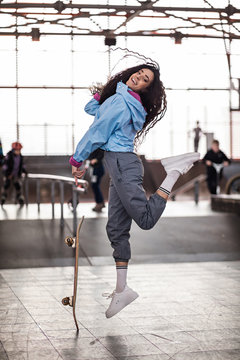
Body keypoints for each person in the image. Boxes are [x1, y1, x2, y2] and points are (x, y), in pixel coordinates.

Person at [69, 62, 200, 318]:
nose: (138, 77)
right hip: (120, 165)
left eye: (144, 80)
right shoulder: (120, 99)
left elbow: (97, 132)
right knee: (116, 229)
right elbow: (91, 109)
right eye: (138, 74)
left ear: (144, 89)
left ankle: (173, 172)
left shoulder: (121, 103)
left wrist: (77, 159)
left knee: (146, 219)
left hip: (123, 165)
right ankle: (122, 290)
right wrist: (104, 91)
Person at [1, 141, 27, 206]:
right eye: (17, 150)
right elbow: (5, 166)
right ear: (13, 150)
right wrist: (7, 174)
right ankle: (3, 198)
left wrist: (24, 171)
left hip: (16, 174)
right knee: (7, 185)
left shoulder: (20, 157)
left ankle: (20, 198)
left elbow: (22, 165)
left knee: (18, 186)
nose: (18, 151)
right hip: (9, 174)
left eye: (19, 150)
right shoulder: (9, 156)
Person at [88, 148, 105, 212]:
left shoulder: (98, 145)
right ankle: (100, 202)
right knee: (95, 186)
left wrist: (96, 159)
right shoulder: (91, 146)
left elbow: (101, 154)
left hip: (98, 169)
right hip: (94, 169)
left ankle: (99, 203)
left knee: (95, 186)